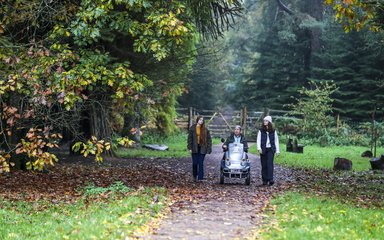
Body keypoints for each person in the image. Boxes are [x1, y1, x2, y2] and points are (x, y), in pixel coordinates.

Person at [256, 116, 280, 186]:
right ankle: (264, 180)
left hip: (271, 149)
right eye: (264, 121)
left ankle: (270, 179)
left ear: (269, 122)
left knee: (270, 164)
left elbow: (276, 141)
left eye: (266, 121)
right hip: (263, 149)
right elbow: (258, 140)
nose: (265, 122)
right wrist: (259, 148)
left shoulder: (273, 131)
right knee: (264, 165)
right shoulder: (261, 130)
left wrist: (277, 151)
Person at [187, 116, 212, 181]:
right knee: (195, 163)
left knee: (200, 162)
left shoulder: (205, 129)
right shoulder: (192, 128)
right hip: (194, 147)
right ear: (197, 120)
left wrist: (209, 148)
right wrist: (189, 147)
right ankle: (195, 176)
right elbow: (190, 138)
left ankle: (200, 178)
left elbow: (209, 139)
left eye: (202, 120)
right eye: (200, 120)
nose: (201, 121)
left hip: (202, 147)